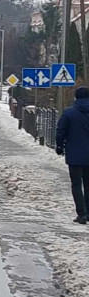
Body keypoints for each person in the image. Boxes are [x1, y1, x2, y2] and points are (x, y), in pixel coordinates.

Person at [57, 86, 89, 224]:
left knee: (76, 184)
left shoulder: (69, 113)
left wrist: (59, 146)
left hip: (74, 155)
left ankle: (81, 214)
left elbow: (60, 131)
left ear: (76, 98)